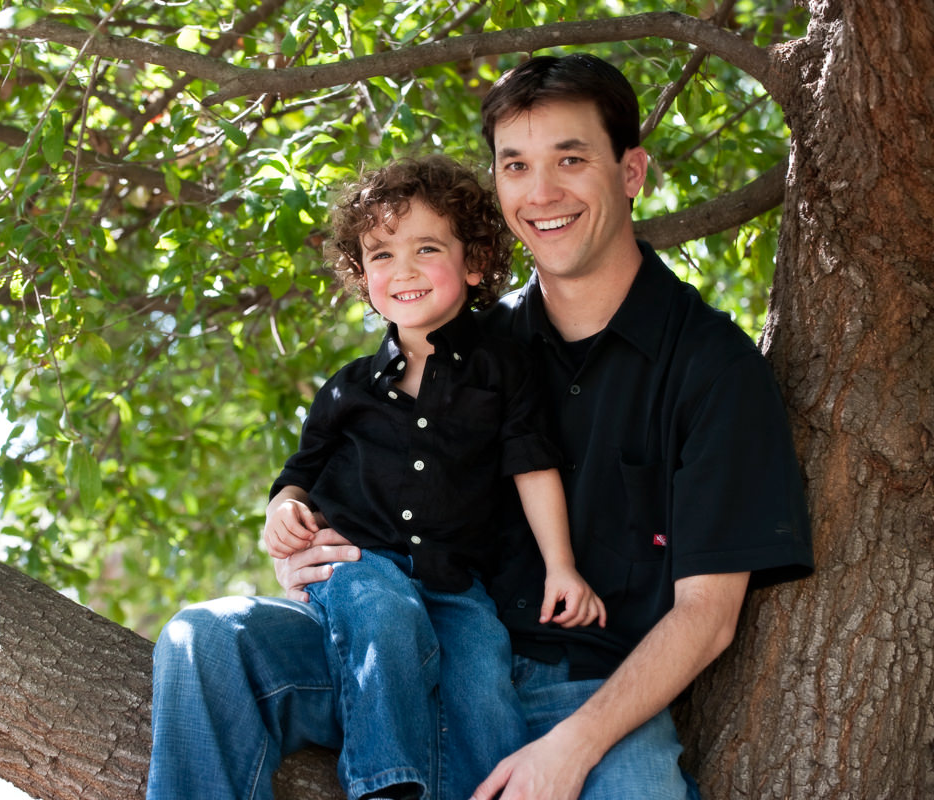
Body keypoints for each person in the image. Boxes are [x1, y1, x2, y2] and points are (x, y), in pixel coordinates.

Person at [148, 53, 814, 800]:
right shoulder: (457, 344)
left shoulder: (710, 368)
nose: (542, 192)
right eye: (516, 166)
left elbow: (707, 618)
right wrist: (305, 548)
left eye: (571, 159)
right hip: (410, 649)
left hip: (583, 690)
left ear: (631, 172)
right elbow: (360, 474)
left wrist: (571, 749)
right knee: (205, 641)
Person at [262, 155, 605, 800]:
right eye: (381, 255)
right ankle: (385, 787)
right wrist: (283, 511)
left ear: (474, 263)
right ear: (363, 278)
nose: (404, 270)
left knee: (482, 676)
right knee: (383, 612)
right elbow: (298, 474)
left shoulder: (503, 368)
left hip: (456, 580)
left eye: (426, 248)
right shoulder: (347, 389)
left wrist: (562, 567)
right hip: (359, 562)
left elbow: (532, 465)